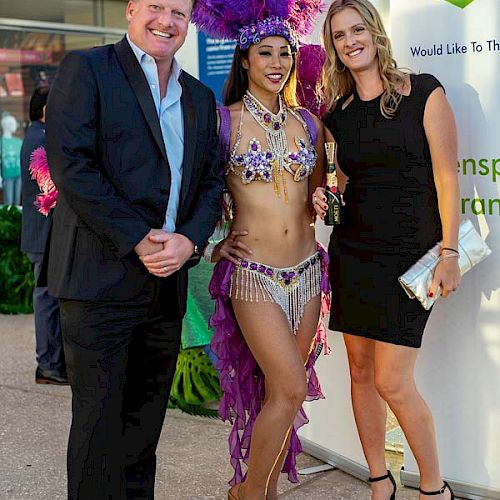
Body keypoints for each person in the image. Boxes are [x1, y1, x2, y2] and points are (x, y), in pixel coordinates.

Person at [43, 0, 224, 497]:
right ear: (130, 10)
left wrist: (189, 239)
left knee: (144, 433)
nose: (166, 21)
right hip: (99, 282)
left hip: (166, 284)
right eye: (155, 7)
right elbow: (73, 167)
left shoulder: (200, 97)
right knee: (99, 430)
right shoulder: (88, 69)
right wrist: (139, 238)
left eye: (179, 13)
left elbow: (210, 183)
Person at [313, 1, 460, 499]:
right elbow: (347, 185)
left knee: (393, 381)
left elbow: (446, 177)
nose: (350, 40)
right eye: (339, 35)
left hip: (413, 257)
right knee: (358, 371)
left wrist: (450, 251)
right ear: (332, 46)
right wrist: (325, 197)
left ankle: (435, 488)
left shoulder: (423, 91)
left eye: (357, 29)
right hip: (354, 253)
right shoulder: (338, 114)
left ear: (374, 33)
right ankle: (380, 480)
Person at [193, 2, 329, 499]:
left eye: (284, 53)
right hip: (254, 275)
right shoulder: (222, 123)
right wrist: (212, 243)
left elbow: (318, 195)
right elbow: (198, 192)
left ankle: (258, 492)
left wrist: (321, 198)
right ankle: (250, 495)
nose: (277, 62)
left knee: (282, 395)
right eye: (264, 53)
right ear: (245, 60)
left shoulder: (309, 125)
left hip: (310, 272)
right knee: (290, 388)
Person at [20, 85, 68, 385]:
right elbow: (53, 189)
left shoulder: (35, 136)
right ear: (46, 110)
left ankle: (51, 362)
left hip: (41, 235)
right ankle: (48, 364)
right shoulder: (40, 140)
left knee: (49, 299)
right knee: (47, 300)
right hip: (43, 236)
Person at [1, 112, 22, 205]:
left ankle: (16, 218)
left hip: (19, 174)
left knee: (17, 200)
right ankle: (7, 219)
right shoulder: (1, 142)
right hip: (6, 175)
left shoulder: (18, 142)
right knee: (8, 201)